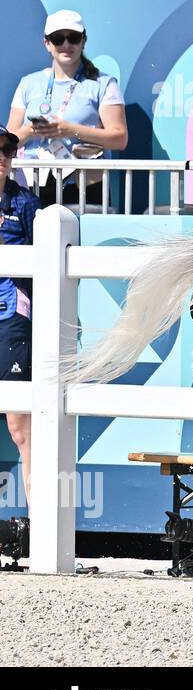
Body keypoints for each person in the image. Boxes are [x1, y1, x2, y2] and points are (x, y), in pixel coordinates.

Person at [6, 10, 127, 208]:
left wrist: (69, 130)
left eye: (73, 38)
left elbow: (120, 138)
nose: (66, 45)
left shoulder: (103, 83)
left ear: (83, 41)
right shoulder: (28, 83)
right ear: (47, 43)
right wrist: (31, 130)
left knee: (84, 239)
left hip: (84, 184)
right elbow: (8, 142)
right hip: (32, 184)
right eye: (58, 39)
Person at [0, 129, 38, 505]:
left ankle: (43, 529)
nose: (1, 156)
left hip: (11, 318)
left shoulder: (26, 204)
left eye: (8, 150)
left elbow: (42, 269)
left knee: (21, 428)